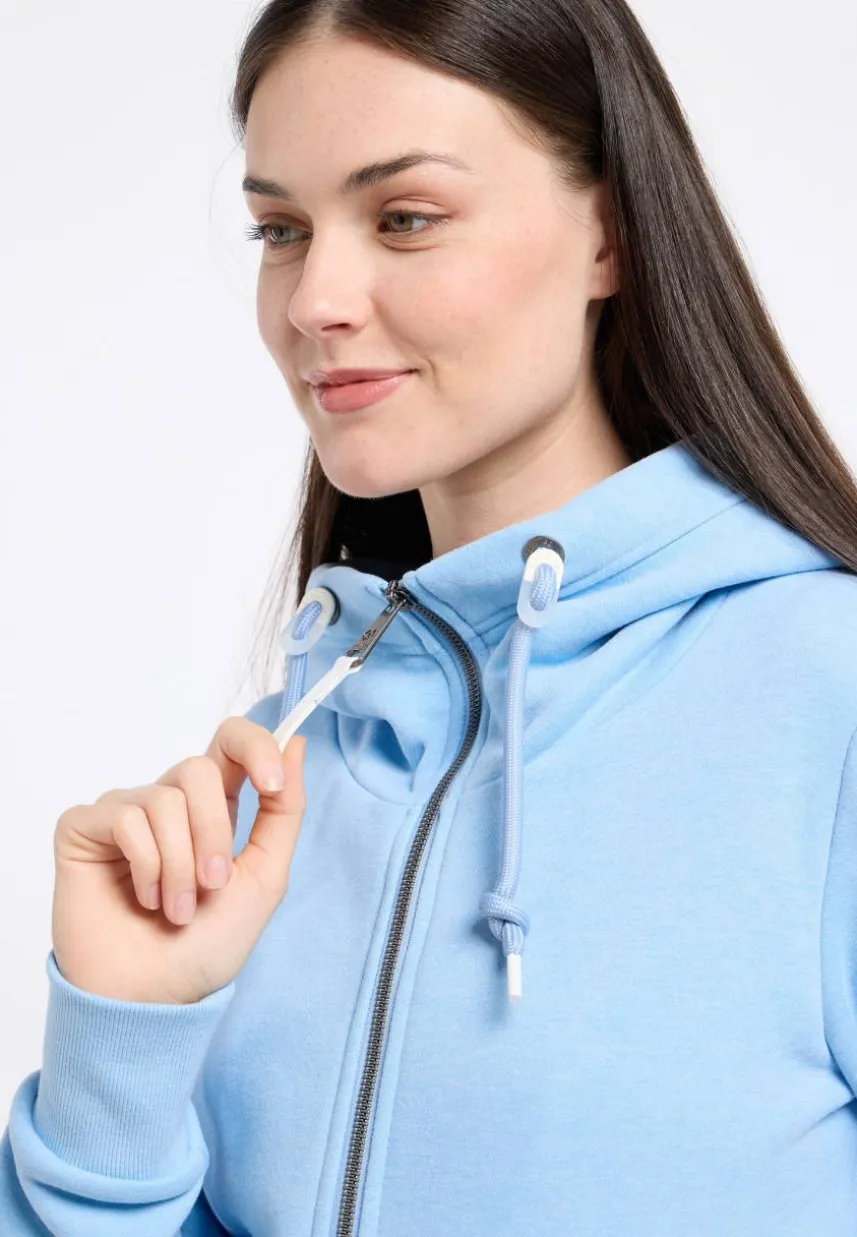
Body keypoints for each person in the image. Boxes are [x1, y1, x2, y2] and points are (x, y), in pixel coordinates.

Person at [3, 0, 857, 1232]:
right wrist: (121, 1051)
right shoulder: (274, 779)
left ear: (609, 234)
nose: (315, 300)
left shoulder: (825, 702)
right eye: (280, 229)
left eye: (404, 217)